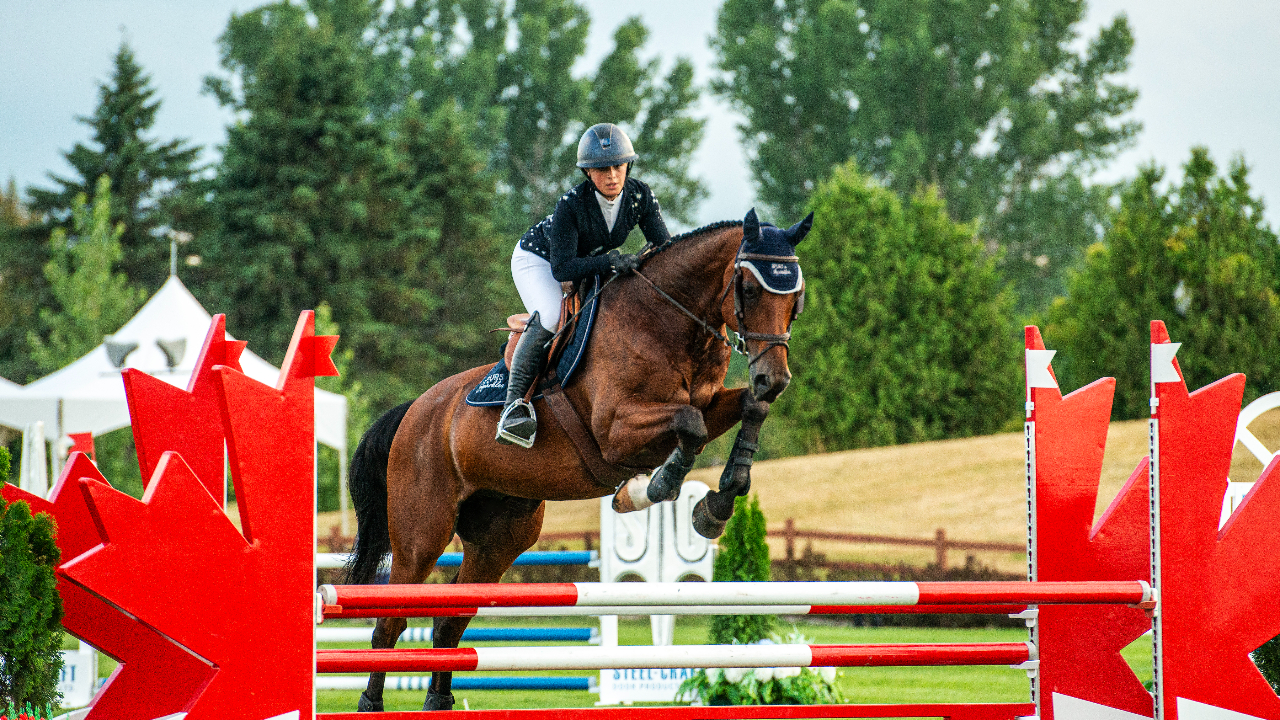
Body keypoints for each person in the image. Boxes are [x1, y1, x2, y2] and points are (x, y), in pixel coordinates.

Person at [498, 123, 672, 448]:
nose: (611, 175)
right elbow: (561, 268)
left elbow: (665, 248)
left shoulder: (639, 196)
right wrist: (610, 262)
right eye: (601, 168)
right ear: (588, 173)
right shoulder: (572, 204)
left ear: (628, 166)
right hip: (537, 260)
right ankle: (513, 407)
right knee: (550, 316)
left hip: (584, 265)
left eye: (618, 166)